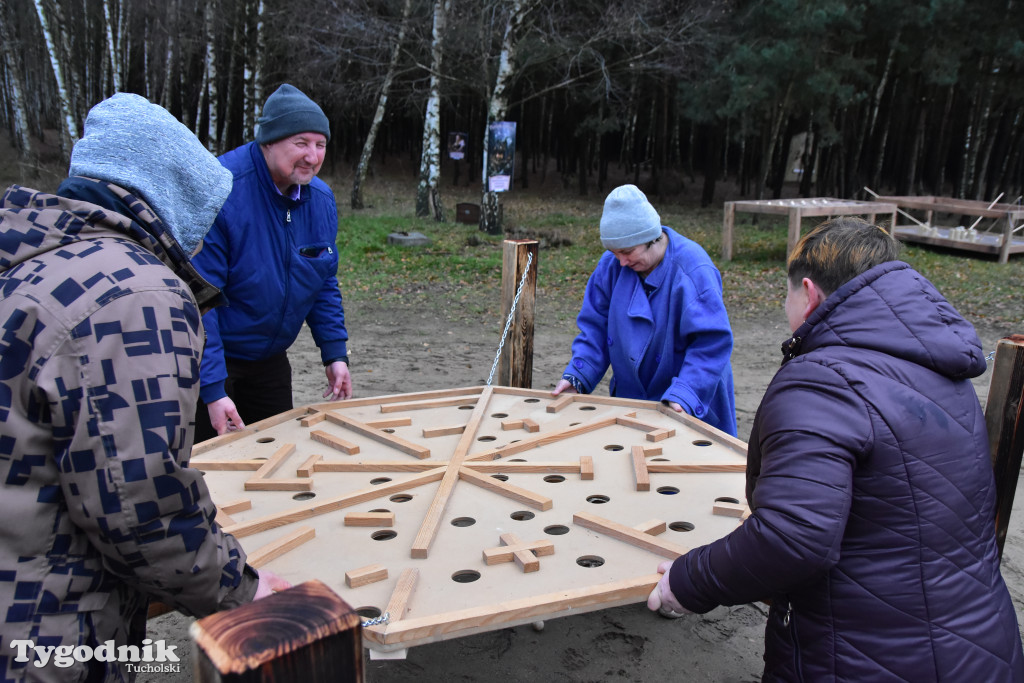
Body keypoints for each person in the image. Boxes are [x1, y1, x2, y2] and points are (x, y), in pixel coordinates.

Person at [647, 217, 1024, 680]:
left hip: (864, 656)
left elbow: (793, 537)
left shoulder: (821, 380)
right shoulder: (940, 364)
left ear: (809, 293)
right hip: (981, 647)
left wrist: (688, 582)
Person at [0, 93, 289, 682]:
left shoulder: (31, 264)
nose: (204, 243)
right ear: (169, 200)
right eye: (201, 220)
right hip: (47, 633)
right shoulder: (132, 295)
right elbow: (140, 505)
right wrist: (245, 593)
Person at [191, 83, 352, 441]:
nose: (312, 156)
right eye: (301, 143)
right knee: (212, 470)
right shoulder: (221, 192)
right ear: (268, 141)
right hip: (214, 363)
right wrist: (213, 390)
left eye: (320, 144)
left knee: (275, 460)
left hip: (270, 361)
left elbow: (322, 279)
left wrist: (334, 354)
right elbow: (199, 300)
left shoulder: (320, 200)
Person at [552, 184, 737, 436]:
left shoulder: (693, 272)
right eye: (614, 253)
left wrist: (685, 394)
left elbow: (711, 344)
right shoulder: (611, 267)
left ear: (651, 238)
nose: (622, 261)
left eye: (627, 252)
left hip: (692, 402)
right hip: (633, 402)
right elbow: (594, 328)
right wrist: (578, 375)